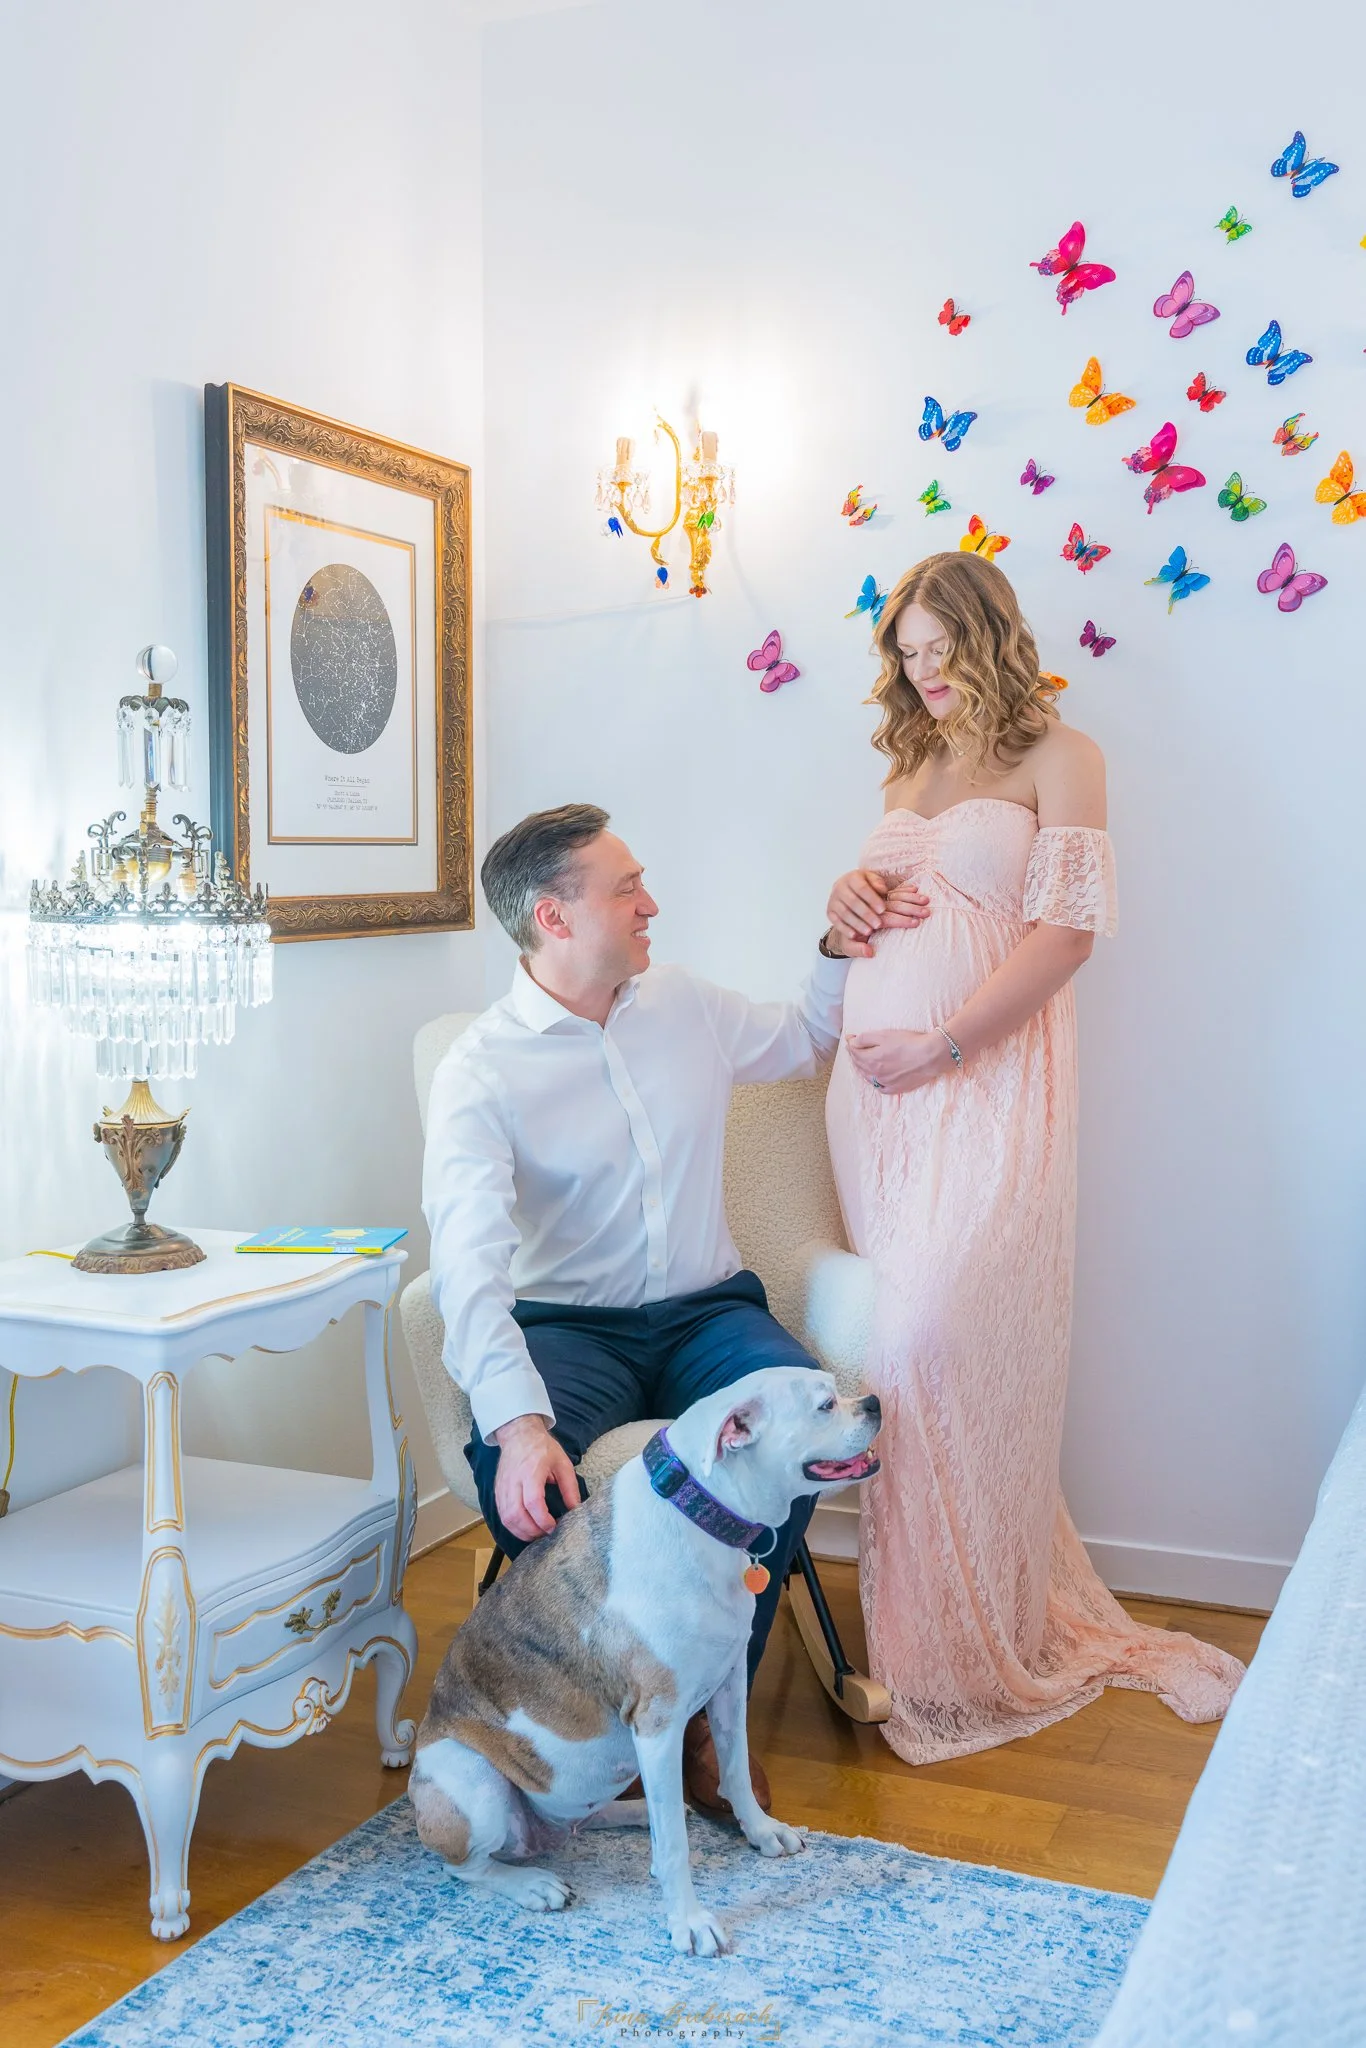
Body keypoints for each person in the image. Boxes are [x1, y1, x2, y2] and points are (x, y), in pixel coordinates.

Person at [822, 551, 1244, 1766]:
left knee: (944, 1342)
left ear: (988, 632)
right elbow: (869, 922)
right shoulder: (907, 760)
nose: (921, 670)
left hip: (988, 1083)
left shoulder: (1064, 755)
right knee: (896, 1364)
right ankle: (909, 1648)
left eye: (937, 646)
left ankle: (977, 1639)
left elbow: (1064, 936)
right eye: (903, 651)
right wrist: (846, 896)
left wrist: (946, 1042)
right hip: (879, 1103)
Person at [422, 804, 907, 1816]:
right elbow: (467, 1264)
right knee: (527, 1483)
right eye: (625, 886)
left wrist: (832, 947)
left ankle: (696, 1730)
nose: (651, 903)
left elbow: (802, 1036)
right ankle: (576, 1716)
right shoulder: (480, 1067)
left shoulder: (681, 1001)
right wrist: (517, 1427)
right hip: (569, 1326)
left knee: (800, 1430)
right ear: (555, 917)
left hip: (705, 1314)